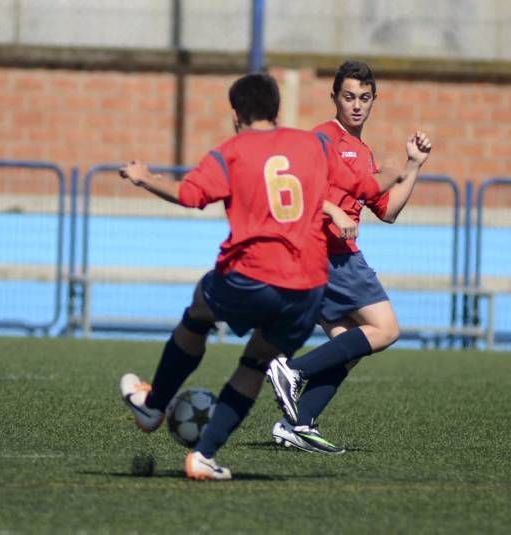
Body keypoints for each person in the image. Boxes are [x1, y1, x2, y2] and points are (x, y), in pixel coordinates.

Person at [118, 73, 407, 480]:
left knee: (200, 312)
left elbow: (189, 195)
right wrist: (398, 172)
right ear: (276, 110)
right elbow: (365, 186)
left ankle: (153, 406)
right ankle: (203, 457)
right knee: (255, 362)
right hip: (306, 290)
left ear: (236, 116)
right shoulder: (312, 145)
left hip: (249, 275)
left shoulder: (231, 152)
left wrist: (143, 176)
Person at [266, 60, 432, 454]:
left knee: (348, 346)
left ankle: (300, 425)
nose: (356, 105)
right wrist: (334, 211)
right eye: (348, 97)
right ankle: (292, 370)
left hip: (323, 259)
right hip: (329, 254)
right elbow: (296, 187)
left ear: (373, 101)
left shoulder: (363, 152)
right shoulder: (323, 137)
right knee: (387, 329)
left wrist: (412, 166)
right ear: (335, 99)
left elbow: (388, 211)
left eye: (364, 98)